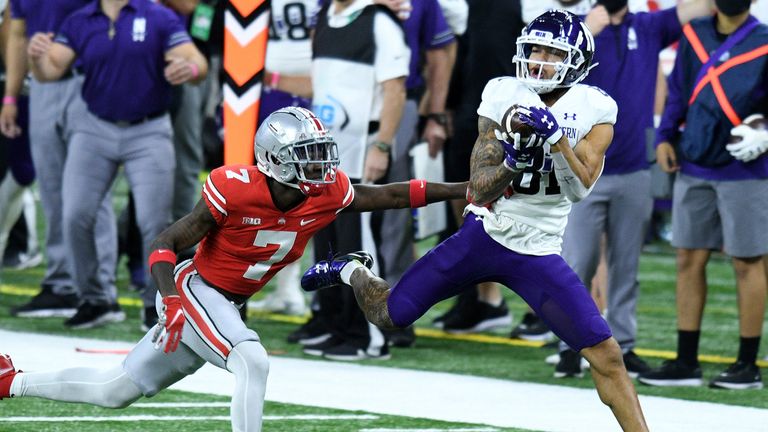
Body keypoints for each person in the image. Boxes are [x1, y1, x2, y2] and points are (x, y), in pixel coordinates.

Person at [0, 106, 468, 432]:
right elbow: (166, 242)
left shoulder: (325, 193)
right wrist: (171, 301)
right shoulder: (236, 188)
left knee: (115, 391)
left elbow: (386, 194)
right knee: (252, 359)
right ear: (274, 159)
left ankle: (11, 382)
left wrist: (461, 189)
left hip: (226, 303)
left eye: (321, 152)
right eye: (307, 154)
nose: (321, 164)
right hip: (197, 288)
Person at [302, 10, 649, 431]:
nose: (539, 59)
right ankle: (353, 270)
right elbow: (480, 188)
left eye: (552, 53)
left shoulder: (595, 107)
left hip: (538, 250)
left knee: (606, 355)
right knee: (390, 314)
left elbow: (579, 189)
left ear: (575, 60)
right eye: (535, 49)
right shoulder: (504, 92)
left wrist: (555, 140)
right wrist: (515, 161)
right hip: (484, 233)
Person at [553, 0, 714, 379]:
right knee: (577, 264)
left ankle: (623, 345)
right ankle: (567, 345)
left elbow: (702, 7)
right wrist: (585, 32)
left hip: (634, 168)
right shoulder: (575, 25)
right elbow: (543, 75)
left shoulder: (648, 26)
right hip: (581, 169)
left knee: (627, 265)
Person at [27, 0, 208, 329]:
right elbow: (50, 70)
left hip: (148, 129)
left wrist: (191, 69)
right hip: (93, 126)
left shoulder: (157, 15)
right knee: (74, 214)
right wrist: (36, 57)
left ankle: (156, 302)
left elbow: (196, 62)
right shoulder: (81, 19)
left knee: (154, 223)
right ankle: (96, 299)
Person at [638, 0, 768, 390]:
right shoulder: (693, 33)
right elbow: (678, 90)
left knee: (747, 261)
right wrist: (663, 137)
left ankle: (747, 364)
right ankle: (686, 360)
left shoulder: (765, 40)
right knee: (687, 259)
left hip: (745, 167)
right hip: (694, 161)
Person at [1, 0, 118, 323]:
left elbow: (117, 21)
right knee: (51, 188)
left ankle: (99, 289)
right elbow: (18, 33)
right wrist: (11, 96)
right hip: (41, 84)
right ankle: (61, 282)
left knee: (93, 189)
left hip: (88, 80)